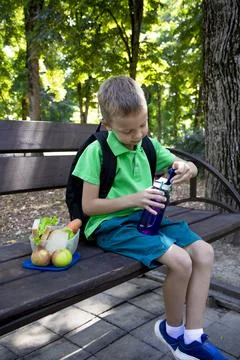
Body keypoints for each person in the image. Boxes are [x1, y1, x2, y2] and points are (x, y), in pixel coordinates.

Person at [72, 76, 227, 359]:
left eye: (142, 125)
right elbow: (89, 206)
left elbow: (185, 165)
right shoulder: (96, 152)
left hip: (148, 217)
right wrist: (135, 198)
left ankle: (192, 338)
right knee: (181, 262)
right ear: (107, 126)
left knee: (204, 253)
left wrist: (187, 167)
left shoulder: (147, 144)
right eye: (127, 130)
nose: (137, 135)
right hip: (111, 225)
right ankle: (172, 330)